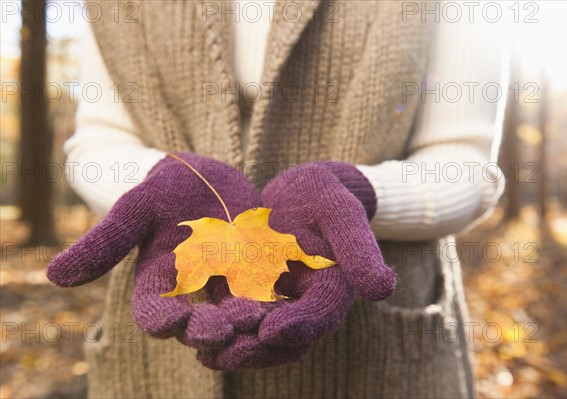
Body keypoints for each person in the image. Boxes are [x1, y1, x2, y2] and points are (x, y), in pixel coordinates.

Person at [48, 1, 508, 397]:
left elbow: (467, 167)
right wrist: (163, 180)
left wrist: (359, 193)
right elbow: (97, 146)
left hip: (379, 357)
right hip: (155, 363)